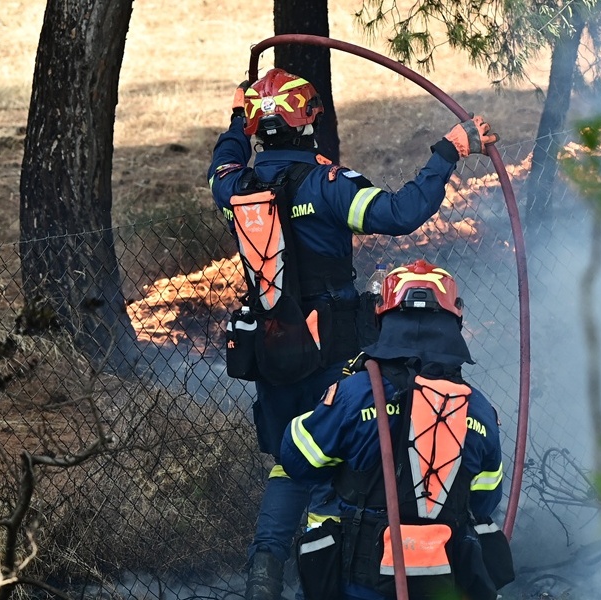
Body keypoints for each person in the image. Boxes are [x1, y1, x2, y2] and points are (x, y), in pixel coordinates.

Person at [207, 67, 498, 600]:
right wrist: (449, 150)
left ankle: (264, 571)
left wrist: (235, 121)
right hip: (333, 350)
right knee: (340, 454)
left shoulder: (235, 187)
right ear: (309, 122)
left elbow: (219, 164)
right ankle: (346, 575)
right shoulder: (328, 185)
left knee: (290, 460)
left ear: (257, 127)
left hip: (270, 349)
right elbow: (402, 212)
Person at [280, 259, 511, 600]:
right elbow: (485, 499)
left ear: (381, 318)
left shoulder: (355, 394)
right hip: (445, 583)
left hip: (360, 585)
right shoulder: (478, 409)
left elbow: (298, 461)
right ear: (456, 320)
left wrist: (326, 413)